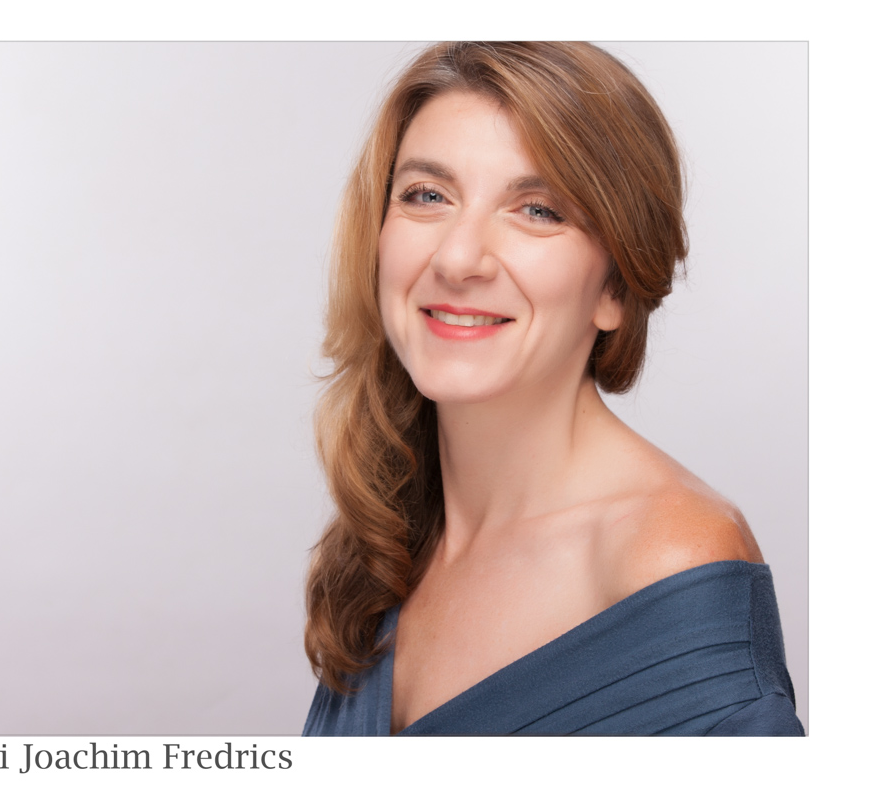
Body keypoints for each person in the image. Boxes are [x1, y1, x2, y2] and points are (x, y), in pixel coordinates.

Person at [302, 42, 802, 736]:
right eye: (427, 195)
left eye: (537, 210)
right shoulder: (396, 532)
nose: (458, 258)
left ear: (615, 287)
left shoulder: (671, 563)